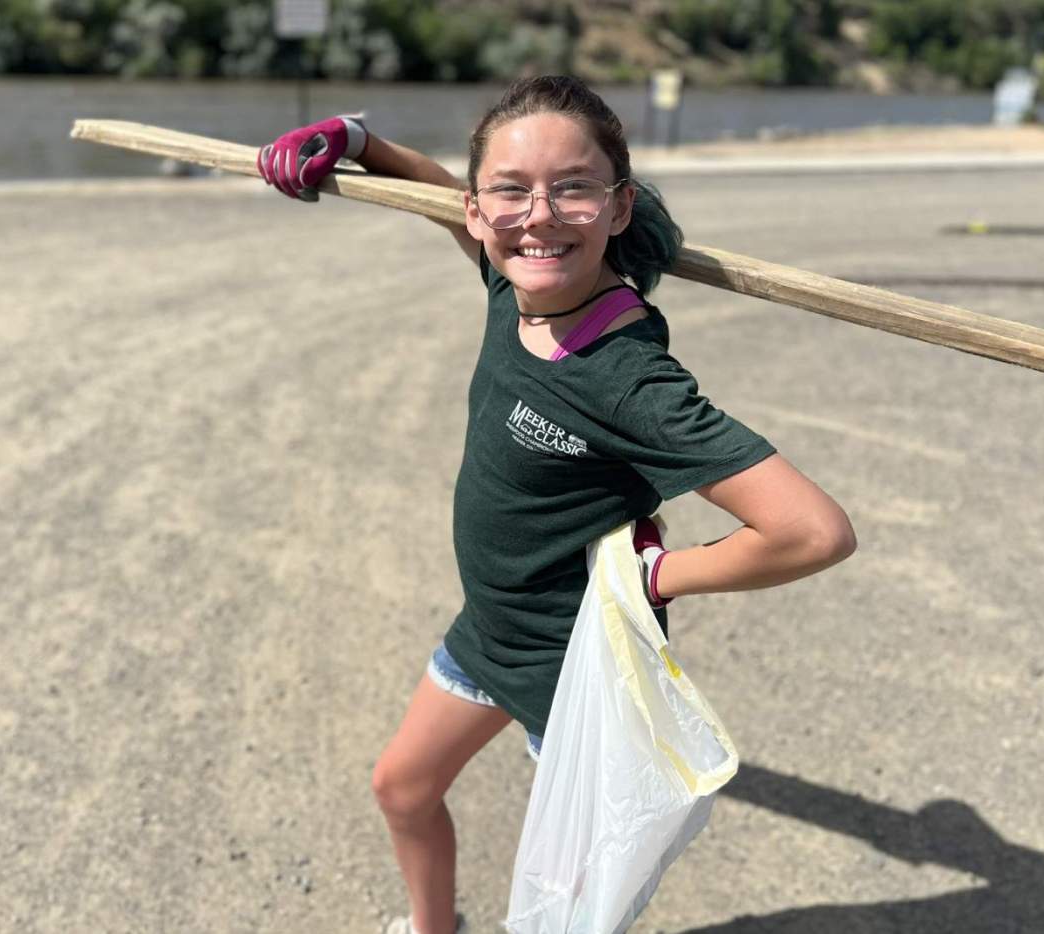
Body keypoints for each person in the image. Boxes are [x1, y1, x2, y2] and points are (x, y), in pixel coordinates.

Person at [257, 75, 856, 934]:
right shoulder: (516, 288)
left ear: (619, 207)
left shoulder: (629, 379)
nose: (537, 216)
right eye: (510, 190)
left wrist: (659, 577)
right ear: (477, 211)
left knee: (566, 909)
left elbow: (812, 531)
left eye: (573, 187)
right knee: (402, 788)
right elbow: (430, 192)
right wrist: (357, 143)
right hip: (493, 632)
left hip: (580, 674)